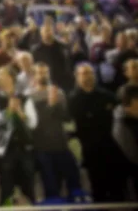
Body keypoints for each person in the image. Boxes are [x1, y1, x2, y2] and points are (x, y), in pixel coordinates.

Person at [68, 63, 125, 203]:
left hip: (110, 146)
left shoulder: (107, 95)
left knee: (116, 186)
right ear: (77, 77)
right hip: (89, 148)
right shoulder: (72, 100)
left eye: (90, 73)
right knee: (97, 185)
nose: (87, 76)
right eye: (83, 73)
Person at [29, 63, 84, 204]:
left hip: (61, 143)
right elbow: (35, 123)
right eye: (39, 73)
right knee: (51, 183)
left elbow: (66, 117)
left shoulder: (59, 93)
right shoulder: (30, 96)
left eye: (45, 72)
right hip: (42, 146)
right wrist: (51, 104)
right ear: (34, 75)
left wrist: (56, 103)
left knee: (74, 176)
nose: (42, 75)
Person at [0, 66, 37, 205]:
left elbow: (33, 123)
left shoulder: (25, 98)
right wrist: (8, 111)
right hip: (5, 149)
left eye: (1, 74)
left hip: (24, 147)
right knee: (6, 186)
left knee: (28, 185)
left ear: (11, 77)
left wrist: (20, 112)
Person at [113, 85, 138, 197]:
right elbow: (133, 156)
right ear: (134, 101)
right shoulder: (122, 124)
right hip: (132, 181)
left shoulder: (132, 120)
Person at [31, 24, 73, 92]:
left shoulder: (63, 47)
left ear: (53, 32)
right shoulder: (36, 50)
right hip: (46, 83)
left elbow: (69, 64)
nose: (48, 33)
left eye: (49, 31)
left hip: (65, 82)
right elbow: (34, 67)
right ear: (41, 34)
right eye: (46, 31)